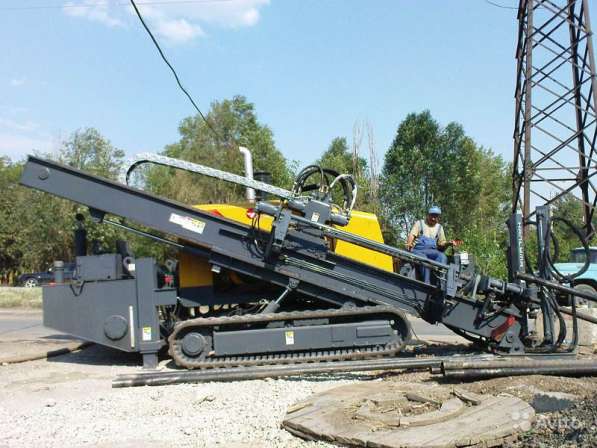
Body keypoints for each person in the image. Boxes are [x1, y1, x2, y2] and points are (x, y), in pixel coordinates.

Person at [406, 206, 458, 283]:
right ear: (428, 215)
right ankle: (426, 283)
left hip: (432, 251)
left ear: (438, 217)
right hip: (419, 250)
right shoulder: (420, 223)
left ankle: (441, 283)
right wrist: (409, 244)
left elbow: (442, 242)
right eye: (432, 216)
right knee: (424, 259)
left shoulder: (439, 227)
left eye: (436, 216)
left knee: (442, 257)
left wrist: (448, 243)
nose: (433, 218)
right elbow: (412, 235)